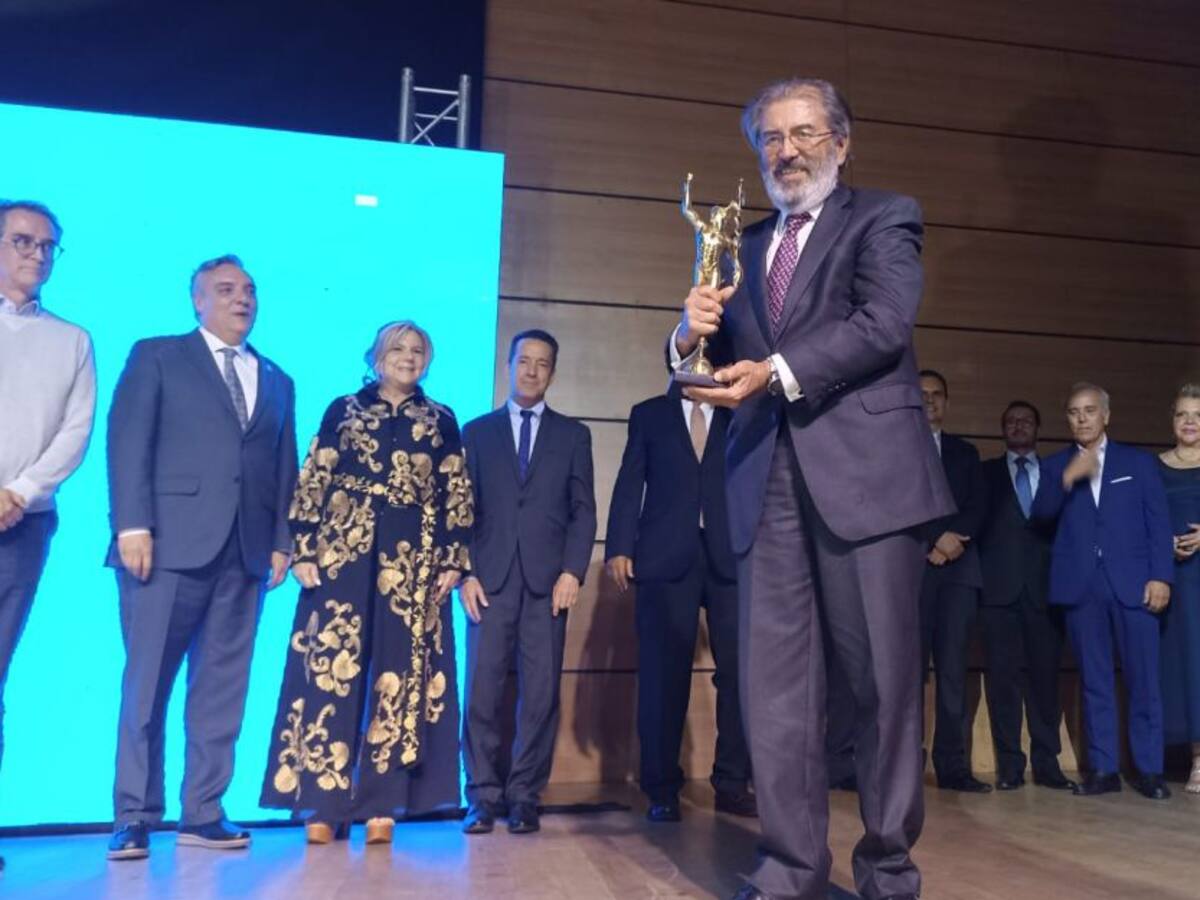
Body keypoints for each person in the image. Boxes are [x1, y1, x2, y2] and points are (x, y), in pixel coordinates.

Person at [673, 77, 954, 900]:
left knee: (883, 687)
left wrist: (779, 372)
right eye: (770, 137)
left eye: (802, 133)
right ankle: (791, 868)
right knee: (775, 696)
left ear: (841, 141)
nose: (786, 150)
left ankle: (888, 869)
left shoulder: (885, 217)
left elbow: (884, 325)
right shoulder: (743, 245)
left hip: (869, 485)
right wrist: (686, 332)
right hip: (765, 487)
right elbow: (703, 368)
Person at [106, 255, 298, 859]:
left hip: (242, 555)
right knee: (147, 687)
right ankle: (134, 815)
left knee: (222, 690)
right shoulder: (157, 355)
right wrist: (131, 526)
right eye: (225, 289)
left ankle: (204, 812)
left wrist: (281, 542)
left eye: (248, 290)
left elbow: (283, 468)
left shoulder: (277, 377)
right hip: (163, 549)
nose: (241, 298)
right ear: (197, 300)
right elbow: (127, 439)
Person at [260, 321, 472, 844]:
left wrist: (453, 558)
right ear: (376, 358)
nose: (407, 357)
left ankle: (385, 804)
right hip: (343, 553)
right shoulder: (343, 409)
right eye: (397, 348)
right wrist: (305, 547)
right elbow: (315, 476)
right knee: (332, 669)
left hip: (413, 561)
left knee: (400, 673)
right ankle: (322, 805)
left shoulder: (442, 418)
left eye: (417, 349)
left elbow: (456, 491)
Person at [459, 329, 596, 836]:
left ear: (552, 373)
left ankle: (523, 796)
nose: (532, 371)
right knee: (482, 691)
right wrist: (466, 572)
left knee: (539, 695)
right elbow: (461, 511)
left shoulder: (573, 435)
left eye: (542, 364)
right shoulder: (476, 432)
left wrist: (572, 571)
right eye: (524, 362)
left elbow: (584, 512)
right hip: (488, 582)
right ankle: (482, 796)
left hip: (547, 584)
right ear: (509, 366)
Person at [605, 358, 752, 823]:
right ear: (676, 362)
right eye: (688, 355)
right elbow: (631, 482)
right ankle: (661, 788)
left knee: (740, 676)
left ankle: (731, 783)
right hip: (665, 558)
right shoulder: (649, 413)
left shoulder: (739, 414)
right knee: (662, 676)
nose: (698, 364)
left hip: (733, 558)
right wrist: (619, 547)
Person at [0, 200, 95, 874]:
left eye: (49, 246)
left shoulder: (72, 340)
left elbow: (75, 431)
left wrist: (18, 493)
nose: (36, 255)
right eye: (23, 241)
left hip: (22, 527)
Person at [1031, 382, 1173, 800]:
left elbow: (1157, 523)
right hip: (1081, 589)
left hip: (1135, 585)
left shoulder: (1138, 463)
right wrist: (1066, 481)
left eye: (1090, 410)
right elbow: (1039, 518)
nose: (1082, 418)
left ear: (1106, 415)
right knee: (1094, 683)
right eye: (1074, 412)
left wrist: (1161, 576)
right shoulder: (1056, 465)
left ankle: (1149, 771)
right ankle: (1104, 770)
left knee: (1144, 681)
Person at [977, 401, 1074, 791]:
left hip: (1046, 592)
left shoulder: (1056, 474)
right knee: (1002, 683)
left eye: (1027, 421)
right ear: (1003, 429)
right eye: (1011, 420)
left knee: (1045, 683)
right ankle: (1010, 767)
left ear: (1038, 429)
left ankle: (1047, 764)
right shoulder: (983, 474)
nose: (1019, 426)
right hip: (997, 594)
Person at [917, 370, 990, 793]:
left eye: (937, 395)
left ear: (947, 402)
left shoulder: (966, 452)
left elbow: (979, 506)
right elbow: (894, 503)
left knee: (951, 672)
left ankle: (953, 767)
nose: (930, 401)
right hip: (912, 572)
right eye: (922, 394)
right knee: (906, 676)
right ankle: (905, 767)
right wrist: (933, 538)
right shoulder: (897, 448)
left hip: (959, 573)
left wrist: (949, 542)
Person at [1157, 384, 1200, 793]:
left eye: (1198, 415)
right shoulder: (1154, 466)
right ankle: (1184, 754)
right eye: (1183, 414)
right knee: (1179, 663)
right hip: (1174, 576)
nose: (1190, 422)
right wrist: (1162, 542)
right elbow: (1142, 519)